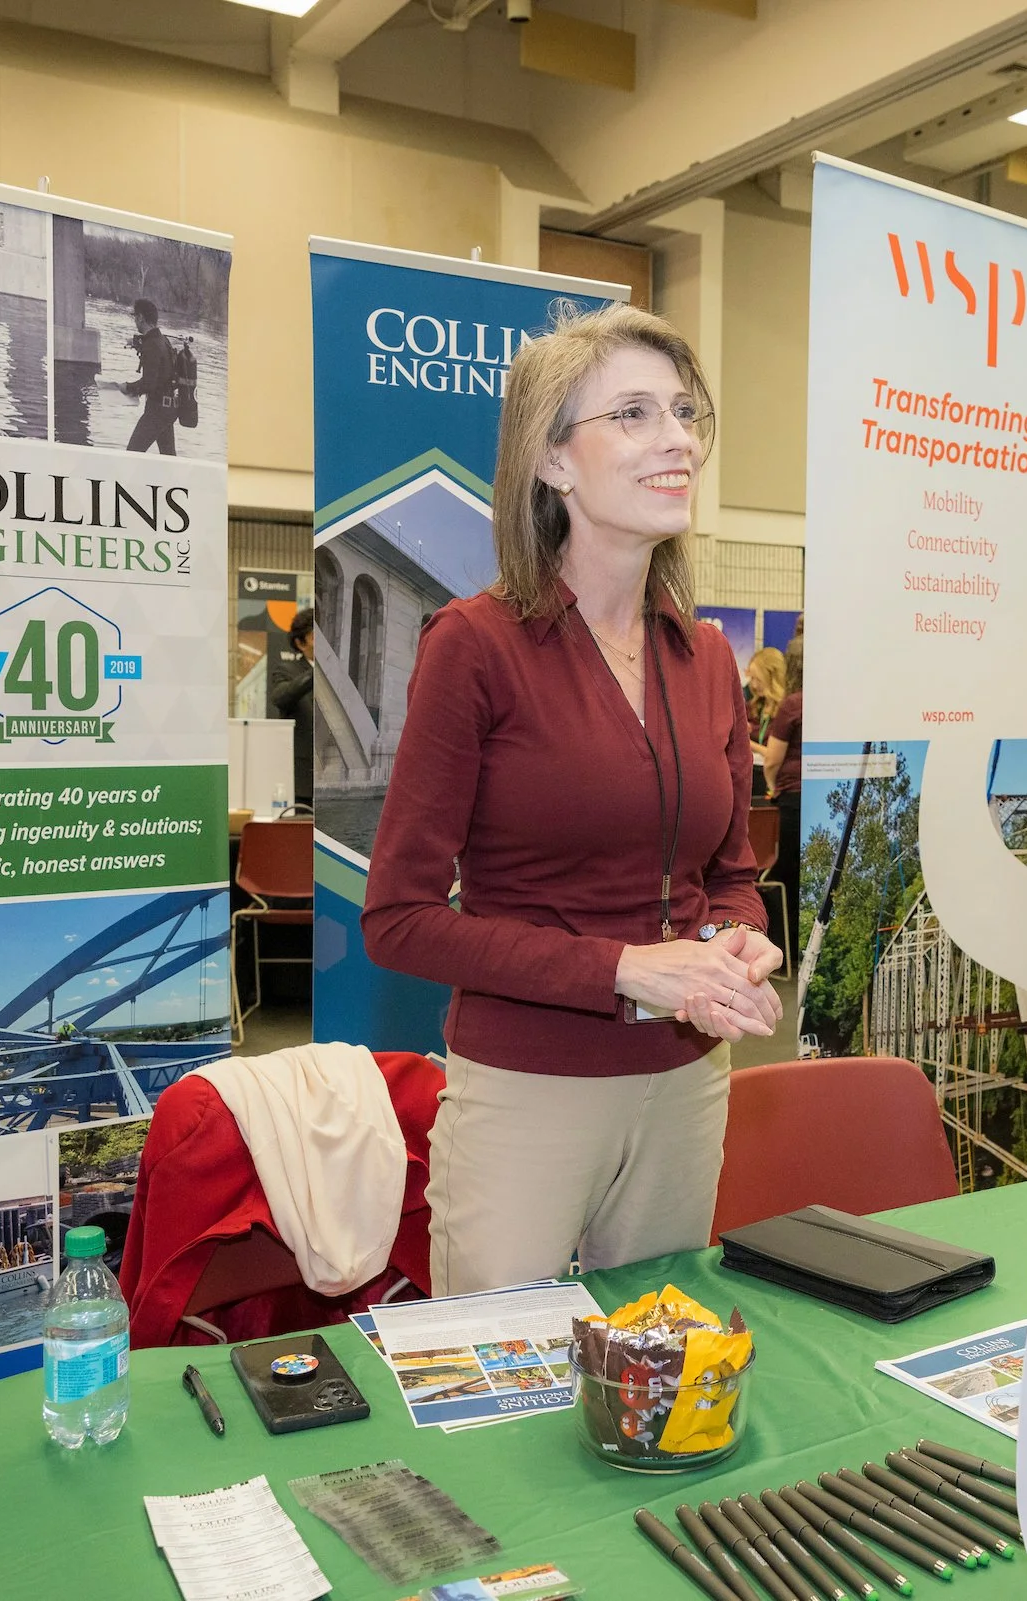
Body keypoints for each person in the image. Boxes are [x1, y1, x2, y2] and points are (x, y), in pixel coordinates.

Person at [364, 303, 783, 1296]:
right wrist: (627, 967)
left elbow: (729, 871)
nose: (676, 437)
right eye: (633, 414)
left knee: (658, 1380)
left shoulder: (707, 657)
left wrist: (737, 938)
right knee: (494, 1393)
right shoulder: (477, 646)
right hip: (528, 1092)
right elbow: (399, 919)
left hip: (687, 1086)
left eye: (683, 411)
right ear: (553, 460)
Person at [760, 638, 803, 961]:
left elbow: (773, 759)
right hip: (825, 798)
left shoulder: (793, 704)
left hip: (793, 798)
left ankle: (783, 949)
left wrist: (773, 787)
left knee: (785, 874)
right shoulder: (837, 699)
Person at [268, 607, 318, 809]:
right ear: (300, 643)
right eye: (315, 636)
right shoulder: (286, 670)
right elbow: (281, 698)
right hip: (301, 782)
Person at [120, 298, 178, 455]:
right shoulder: (162, 340)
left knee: (132, 454)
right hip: (169, 408)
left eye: (135, 317)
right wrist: (136, 342)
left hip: (157, 411)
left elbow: (148, 384)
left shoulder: (152, 345)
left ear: (140, 317)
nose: (135, 322)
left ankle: (126, 480)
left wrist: (126, 387)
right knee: (169, 457)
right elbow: (154, 350)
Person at [743, 645, 785, 798]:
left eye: (757, 679)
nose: (753, 685)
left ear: (771, 678)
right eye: (751, 679)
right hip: (751, 778)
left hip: (773, 782)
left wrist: (750, 744)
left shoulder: (786, 711)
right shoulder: (754, 706)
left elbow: (775, 755)